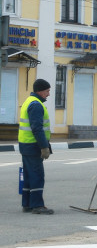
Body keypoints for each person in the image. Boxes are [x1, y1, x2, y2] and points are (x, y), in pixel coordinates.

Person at [18, 79, 54, 214]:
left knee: (28, 175)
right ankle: (37, 205)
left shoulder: (29, 101)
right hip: (33, 146)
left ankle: (27, 204)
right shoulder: (36, 105)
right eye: (47, 91)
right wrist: (44, 147)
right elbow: (37, 129)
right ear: (40, 90)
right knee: (37, 175)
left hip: (26, 145)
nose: (48, 94)